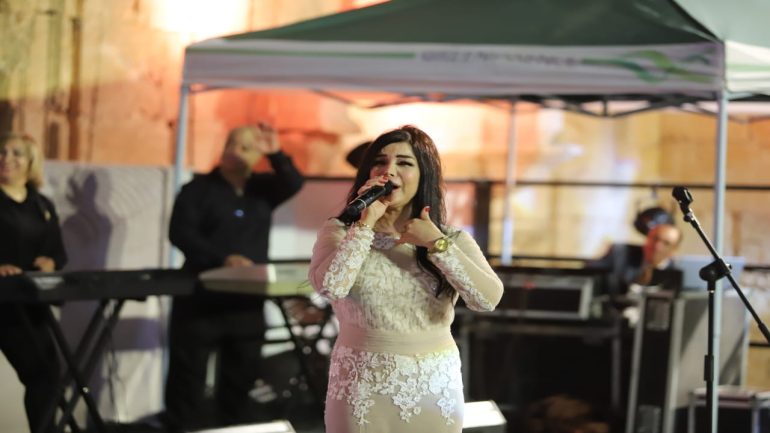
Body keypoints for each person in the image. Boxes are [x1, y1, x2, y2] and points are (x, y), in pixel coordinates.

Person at [308, 125, 504, 432]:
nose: (389, 171)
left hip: (432, 387)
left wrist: (436, 244)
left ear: (424, 175)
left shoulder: (450, 238)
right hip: (361, 386)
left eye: (404, 163)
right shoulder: (340, 233)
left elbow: (487, 299)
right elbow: (331, 287)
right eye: (380, 162)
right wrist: (364, 226)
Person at [164, 124, 304, 431]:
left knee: (240, 382)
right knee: (187, 384)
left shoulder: (262, 189)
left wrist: (276, 154)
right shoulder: (198, 189)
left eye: (246, 148)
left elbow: (293, 182)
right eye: (232, 144)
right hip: (201, 302)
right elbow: (180, 232)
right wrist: (222, 259)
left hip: (246, 304)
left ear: (257, 156)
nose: (236, 152)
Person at [0, 132, 67, 433]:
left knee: (47, 373)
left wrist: (50, 262)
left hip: (28, 302)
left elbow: (57, 251)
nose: (6, 159)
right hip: (2, 299)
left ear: (31, 162)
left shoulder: (42, 205)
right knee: (43, 373)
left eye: (16, 153)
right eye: (2, 152)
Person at [593, 223, 683, 298]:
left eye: (666, 243)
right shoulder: (620, 253)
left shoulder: (675, 274)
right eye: (655, 238)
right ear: (648, 237)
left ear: (674, 249)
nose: (657, 246)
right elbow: (592, 274)